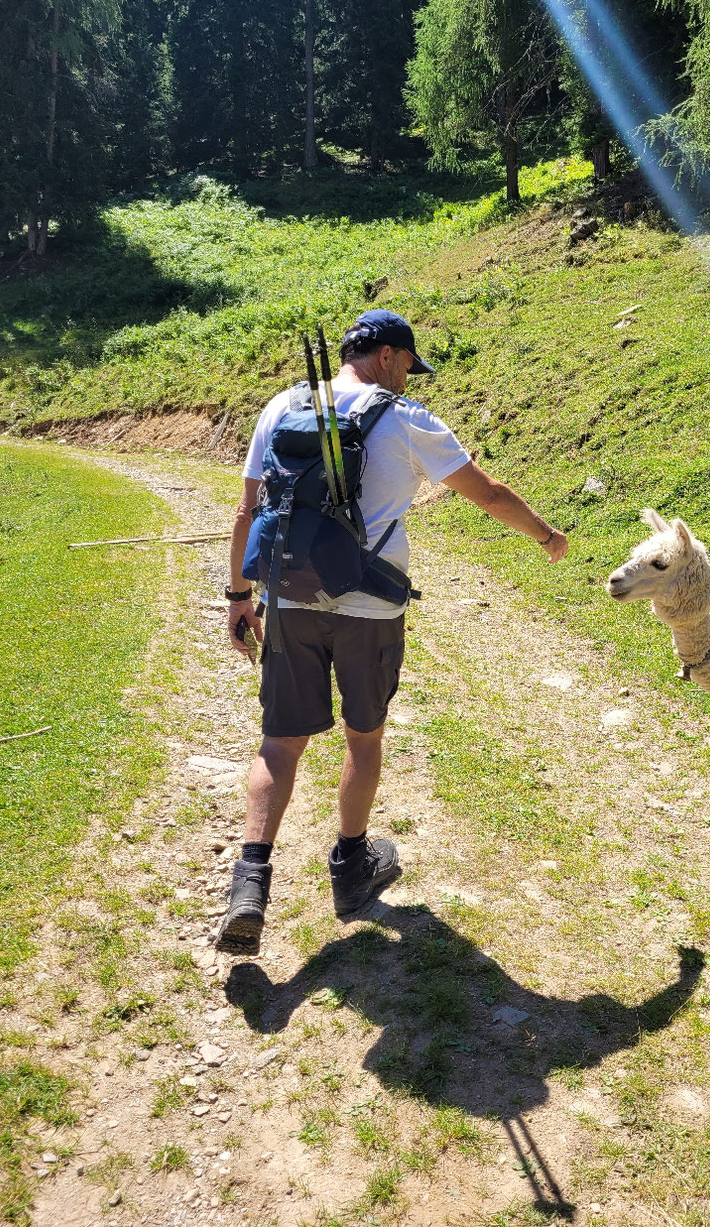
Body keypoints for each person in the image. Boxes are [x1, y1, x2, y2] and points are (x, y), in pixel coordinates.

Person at [215, 309, 568, 954]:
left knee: (280, 741)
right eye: (408, 362)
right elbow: (486, 494)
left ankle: (250, 883)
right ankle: (351, 869)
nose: (410, 376)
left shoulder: (284, 406)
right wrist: (546, 534)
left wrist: (240, 594)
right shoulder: (402, 420)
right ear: (385, 355)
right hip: (371, 609)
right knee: (363, 734)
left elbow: (249, 509)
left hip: (289, 597)